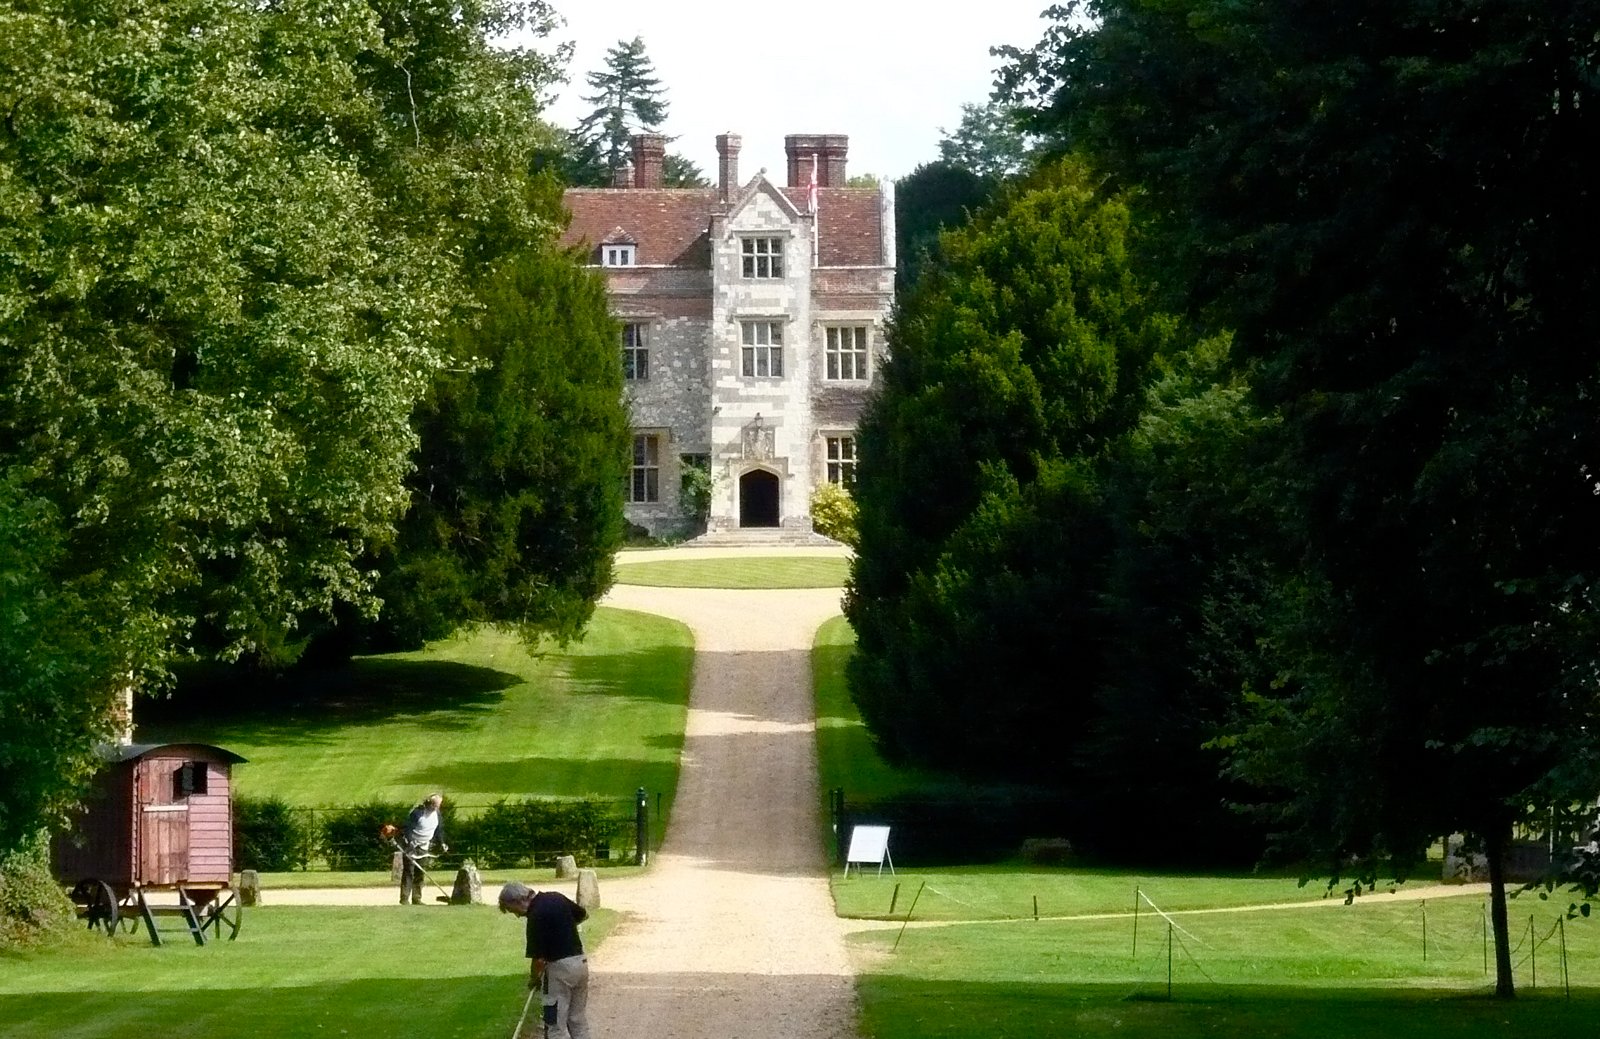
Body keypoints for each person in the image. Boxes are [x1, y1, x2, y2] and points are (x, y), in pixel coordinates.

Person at [499, 881, 590, 1039]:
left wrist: (534, 979)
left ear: (518, 901)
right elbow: (583, 915)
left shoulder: (535, 916)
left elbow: (539, 960)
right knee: (577, 1020)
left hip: (559, 971)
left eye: (512, 910)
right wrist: (561, 929)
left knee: (554, 1026)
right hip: (580, 963)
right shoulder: (557, 897)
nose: (517, 915)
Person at [399, 792, 447, 905]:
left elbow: (439, 830)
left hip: (424, 847)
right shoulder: (417, 813)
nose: (436, 808)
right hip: (411, 846)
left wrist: (442, 843)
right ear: (429, 803)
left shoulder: (437, 814)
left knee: (420, 873)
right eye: (434, 805)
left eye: (438, 805)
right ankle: (404, 898)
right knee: (409, 872)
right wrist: (410, 841)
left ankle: (417, 898)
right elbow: (407, 828)